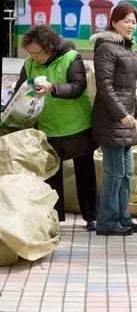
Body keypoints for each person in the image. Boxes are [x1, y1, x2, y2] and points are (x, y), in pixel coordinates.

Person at [18, 25, 98, 230]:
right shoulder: (29, 63)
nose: (34, 57)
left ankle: (91, 217)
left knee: (85, 173)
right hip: (48, 128)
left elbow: (78, 87)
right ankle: (54, 220)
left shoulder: (71, 57)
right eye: (30, 53)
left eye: (38, 52)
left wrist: (52, 87)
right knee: (52, 176)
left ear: (50, 47)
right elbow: (21, 90)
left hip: (77, 126)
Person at [91, 2, 137, 236]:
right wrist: (122, 114)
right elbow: (105, 87)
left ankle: (123, 218)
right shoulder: (106, 48)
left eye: (134, 22)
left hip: (125, 120)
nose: (131, 25)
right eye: (126, 21)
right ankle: (107, 221)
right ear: (114, 22)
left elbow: (128, 88)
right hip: (111, 120)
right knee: (114, 173)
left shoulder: (126, 47)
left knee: (126, 173)